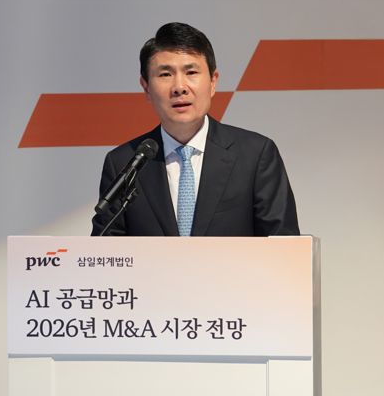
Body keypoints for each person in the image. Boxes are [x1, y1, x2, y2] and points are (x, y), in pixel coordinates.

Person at [91, 22, 299, 236]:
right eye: (165, 74)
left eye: (191, 72)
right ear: (146, 88)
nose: (179, 87)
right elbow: (104, 247)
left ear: (213, 82)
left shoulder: (255, 155)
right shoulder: (124, 162)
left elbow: (283, 244)